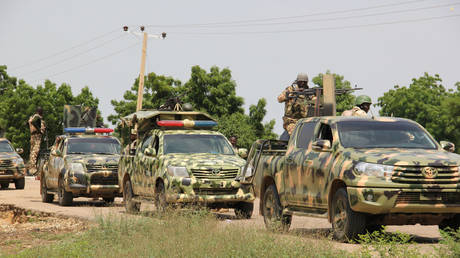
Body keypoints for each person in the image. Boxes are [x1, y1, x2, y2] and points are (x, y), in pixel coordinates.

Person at [28, 107, 46, 175]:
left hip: (32, 135)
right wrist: (40, 130)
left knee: (32, 152)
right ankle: (33, 170)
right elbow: (33, 122)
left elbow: (29, 123)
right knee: (35, 152)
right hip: (37, 136)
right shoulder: (37, 117)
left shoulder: (32, 117)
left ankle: (31, 169)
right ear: (41, 112)